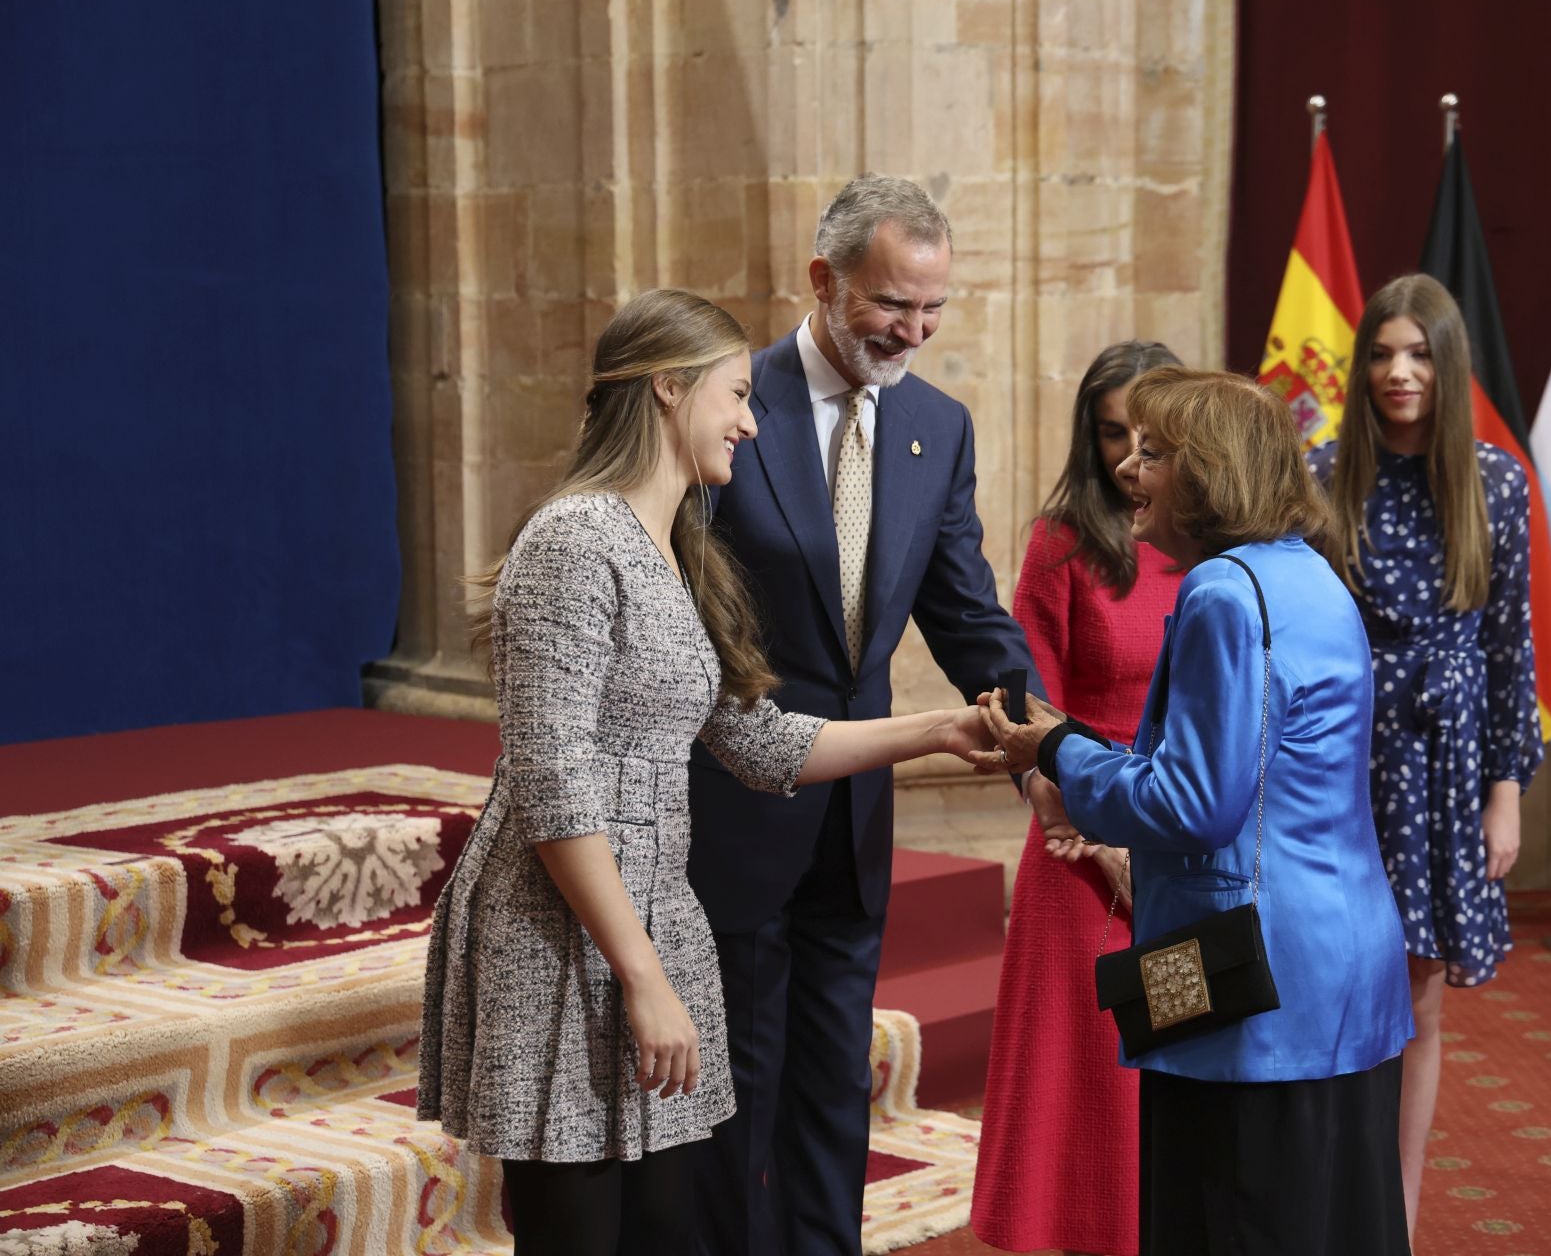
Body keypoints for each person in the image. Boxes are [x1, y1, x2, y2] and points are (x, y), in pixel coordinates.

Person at [416, 289, 993, 1254]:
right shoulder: (571, 543)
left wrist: (934, 731)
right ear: (667, 391)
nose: (751, 420)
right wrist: (642, 978)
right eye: (734, 395)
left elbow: (756, 741)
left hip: (652, 929)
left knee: (671, 1231)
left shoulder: (674, 550)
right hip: (565, 941)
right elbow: (556, 788)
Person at [978, 366, 1415, 1256]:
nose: (1132, 471)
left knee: (1232, 1221)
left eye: (1157, 453)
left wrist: (1054, 750)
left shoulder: (1223, 591)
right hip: (1343, 965)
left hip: (1249, 982)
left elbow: (1195, 803)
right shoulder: (1313, 576)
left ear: (1210, 472)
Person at [685, 175, 1039, 1254]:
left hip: (855, 817)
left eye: (934, 308)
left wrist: (1044, 751)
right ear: (824, 280)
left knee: (836, 1075)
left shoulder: (938, 424)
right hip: (737, 801)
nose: (913, 331)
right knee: (738, 1082)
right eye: (892, 304)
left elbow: (968, 613)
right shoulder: (730, 402)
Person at [1306, 273, 1545, 1240]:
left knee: (1418, 998)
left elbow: (1509, 644)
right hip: (1341, 758)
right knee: (1330, 981)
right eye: (1381, 353)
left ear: (1449, 364)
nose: (1399, 372)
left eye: (1418, 353)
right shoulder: (1322, 474)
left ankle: (1394, 1219)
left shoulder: (1496, 480)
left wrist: (1506, 792)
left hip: (1444, 771)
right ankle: (1328, 1203)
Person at [971, 340, 1184, 1256]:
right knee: (1086, 1084)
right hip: (1078, 851)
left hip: (1185, 848)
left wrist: (1154, 847)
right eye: (1109, 435)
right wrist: (1098, 839)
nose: (1128, 459)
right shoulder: (1063, 543)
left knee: (1172, 1071)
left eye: (1148, 436)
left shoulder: (1210, 549)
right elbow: (1031, 709)